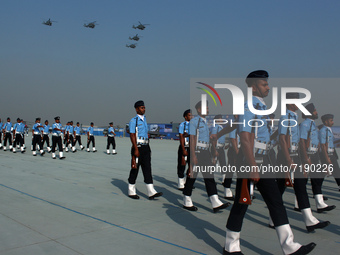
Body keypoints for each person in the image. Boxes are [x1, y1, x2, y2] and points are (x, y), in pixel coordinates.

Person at [222, 70, 315, 255]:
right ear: (253, 86)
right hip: (251, 160)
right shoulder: (248, 105)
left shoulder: (261, 106)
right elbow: (246, 137)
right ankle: (230, 247)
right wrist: (253, 166)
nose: (268, 87)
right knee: (242, 202)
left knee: (275, 200)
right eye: (264, 84)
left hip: (263, 159)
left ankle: (290, 247)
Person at [274, 93, 329, 232]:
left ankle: (309, 220)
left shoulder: (294, 117)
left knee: (300, 186)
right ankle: (272, 217)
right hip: (285, 156)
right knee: (279, 189)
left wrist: (302, 160)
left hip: (294, 156)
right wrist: (288, 160)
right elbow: (282, 139)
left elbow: (299, 141)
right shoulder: (285, 117)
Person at [182, 101, 230, 213]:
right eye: (205, 108)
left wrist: (213, 151)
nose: (208, 109)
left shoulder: (205, 122)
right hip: (197, 151)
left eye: (208, 107)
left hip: (205, 152)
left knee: (209, 176)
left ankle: (215, 201)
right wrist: (193, 155)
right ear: (199, 110)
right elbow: (192, 138)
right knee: (192, 177)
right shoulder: (194, 121)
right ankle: (186, 198)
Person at [299, 103, 335, 213]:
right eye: (314, 110)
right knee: (302, 181)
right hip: (308, 155)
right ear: (309, 112)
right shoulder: (305, 125)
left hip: (314, 155)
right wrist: (305, 158)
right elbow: (302, 142)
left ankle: (320, 204)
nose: (316, 112)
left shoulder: (312, 124)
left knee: (317, 179)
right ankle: (298, 202)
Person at [127, 100, 163, 200]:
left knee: (147, 168)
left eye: (144, 107)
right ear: (137, 109)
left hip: (146, 147)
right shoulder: (134, 120)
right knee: (135, 168)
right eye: (142, 107)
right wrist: (135, 149)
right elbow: (132, 135)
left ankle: (151, 191)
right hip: (137, 147)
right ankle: (131, 190)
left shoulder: (145, 119)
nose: (144, 109)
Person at [211, 114, 234, 200]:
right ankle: (211, 179)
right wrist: (214, 150)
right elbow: (213, 139)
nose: (221, 120)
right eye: (220, 119)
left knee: (223, 164)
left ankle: (224, 180)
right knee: (213, 164)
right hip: (217, 148)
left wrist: (227, 145)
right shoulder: (215, 127)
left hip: (221, 147)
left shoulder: (221, 127)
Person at [319, 114, 340, 192]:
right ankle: (317, 191)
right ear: (326, 121)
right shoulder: (323, 131)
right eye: (331, 120)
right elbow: (323, 145)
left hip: (331, 153)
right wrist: (327, 158)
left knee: (336, 171)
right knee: (323, 173)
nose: (333, 122)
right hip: (326, 154)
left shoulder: (329, 130)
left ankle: (317, 191)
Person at [176, 109, 192, 190]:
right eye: (190, 115)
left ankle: (186, 182)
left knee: (191, 165)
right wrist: (183, 149)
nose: (191, 116)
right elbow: (181, 137)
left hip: (192, 148)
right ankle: (180, 183)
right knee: (182, 165)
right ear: (185, 117)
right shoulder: (182, 125)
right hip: (184, 147)